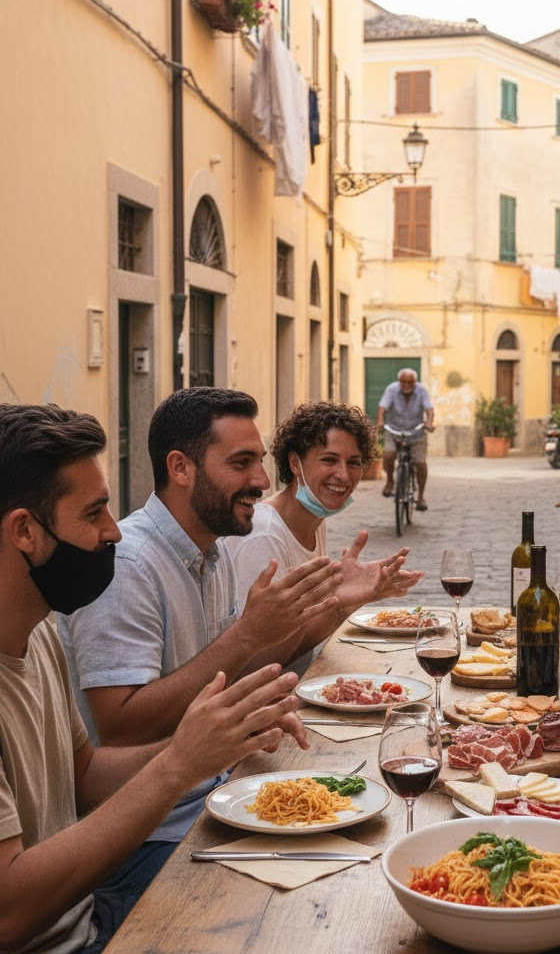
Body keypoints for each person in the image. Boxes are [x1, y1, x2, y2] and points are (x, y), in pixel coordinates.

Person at [0, 403, 308, 953]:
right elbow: (10, 912)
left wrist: (216, 738)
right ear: (25, 529)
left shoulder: (38, 632)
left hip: (88, 912)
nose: (113, 532)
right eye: (94, 513)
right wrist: (179, 761)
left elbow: (86, 772)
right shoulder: (135, 566)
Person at [59, 388, 406, 847]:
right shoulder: (132, 565)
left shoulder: (214, 551)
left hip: (220, 793)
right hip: (156, 836)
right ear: (180, 468)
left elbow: (227, 676)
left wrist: (251, 710)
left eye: (260, 462)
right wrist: (247, 636)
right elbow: (120, 729)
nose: (262, 480)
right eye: (241, 463)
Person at [223, 400, 424, 675]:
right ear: (295, 463)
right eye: (329, 459)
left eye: (353, 462)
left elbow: (301, 640)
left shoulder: (314, 520)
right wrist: (339, 602)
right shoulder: (263, 535)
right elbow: (257, 663)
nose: (343, 474)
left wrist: (350, 599)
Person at [377, 368, 435, 511]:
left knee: (420, 463)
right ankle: (390, 481)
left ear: (415, 382)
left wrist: (429, 423)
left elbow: (429, 409)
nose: (407, 385)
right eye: (404, 382)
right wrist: (380, 421)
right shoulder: (392, 389)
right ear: (399, 381)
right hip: (394, 430)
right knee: (388, 455)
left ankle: (420, 496)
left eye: (410, 382)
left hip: (416, 432)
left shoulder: (422, 390)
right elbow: (382, 407)